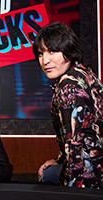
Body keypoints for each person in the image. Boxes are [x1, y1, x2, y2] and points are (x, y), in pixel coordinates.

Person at [33, 22, 103, 188]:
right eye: (41, 54)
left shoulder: (68, 86)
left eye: (52, 51)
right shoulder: (85, 74)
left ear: (69, 50)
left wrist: (73, 191)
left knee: (46, 175)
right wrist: (59, 160)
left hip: (92, 176)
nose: (45, 60)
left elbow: (77, 147)